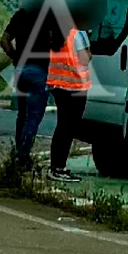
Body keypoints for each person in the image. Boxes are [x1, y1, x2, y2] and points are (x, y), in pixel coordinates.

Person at [0, 4, 64, 167]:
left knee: (22, 114)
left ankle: (18, 152)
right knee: (33, 116)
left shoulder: (21, 14)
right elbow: (58, 46)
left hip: (21, 70)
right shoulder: (51, 17)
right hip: (39, 71)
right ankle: (23, 156)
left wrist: (15, 58)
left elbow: (4, 40)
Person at [45, 24, 92, 182]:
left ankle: (56, 166)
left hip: (58, 84)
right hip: (75, 86)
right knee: (68, 129)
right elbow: (85, 58)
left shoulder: (55, 31)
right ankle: (59, 168)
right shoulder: (78, 33)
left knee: (62, 127)